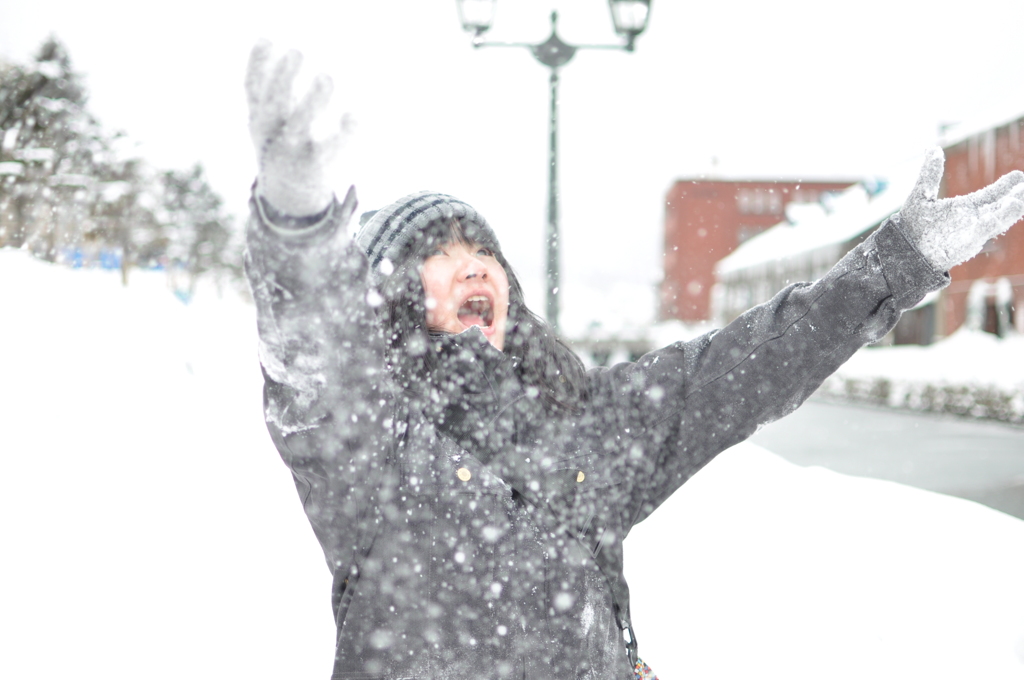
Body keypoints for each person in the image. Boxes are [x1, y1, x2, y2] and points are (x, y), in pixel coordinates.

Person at [242, 42, 1024, 680]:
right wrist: (298, 225)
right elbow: (315, 356)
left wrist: (897, 261)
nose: (474, 264)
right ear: (388, 300)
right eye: (438, 255)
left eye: (483, 250)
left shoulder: (580, 424)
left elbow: (743, 364)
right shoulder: (373, 451)